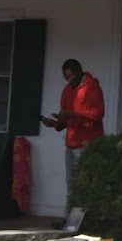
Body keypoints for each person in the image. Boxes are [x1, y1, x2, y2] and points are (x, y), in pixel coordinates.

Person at [41, 58, 104, 187]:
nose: (69, 80)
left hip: (87, 144)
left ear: (79, 71)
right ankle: (71, 207)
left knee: (86, 185)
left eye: (71, 76)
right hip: (71, 145)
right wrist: (55, 123)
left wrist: (72, 113)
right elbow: (64, 123)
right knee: (72, 185)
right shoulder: (67, 90)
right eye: (66, 78)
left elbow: (98, 114)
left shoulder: (92, 87)